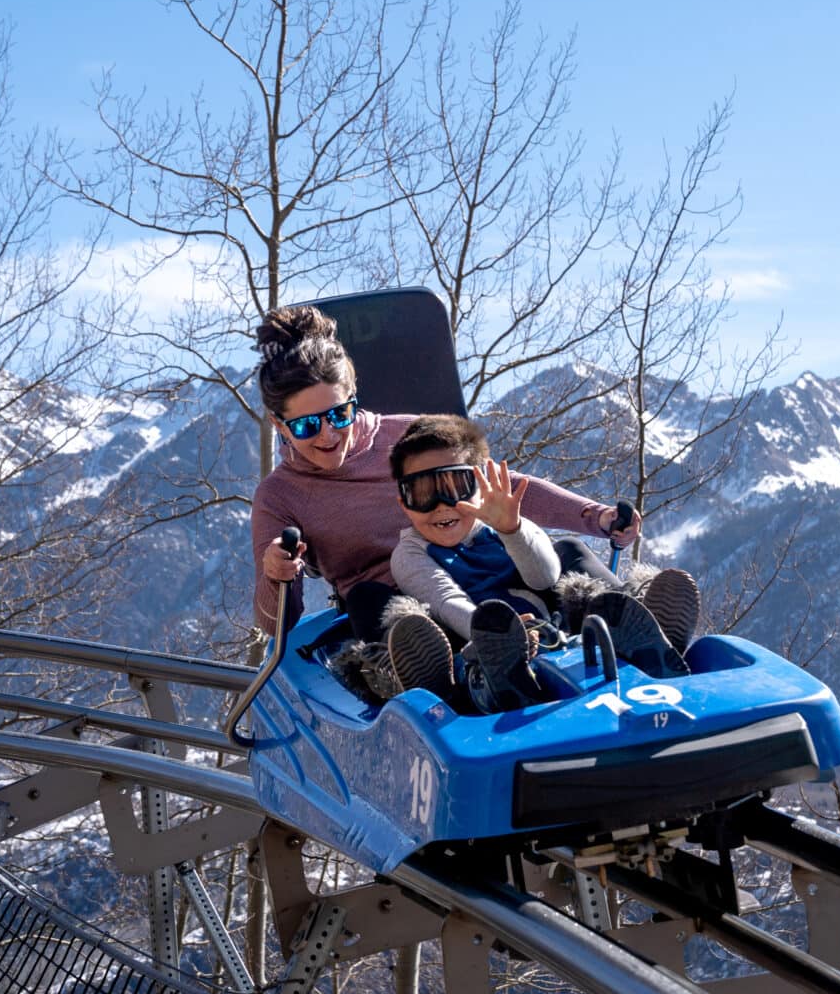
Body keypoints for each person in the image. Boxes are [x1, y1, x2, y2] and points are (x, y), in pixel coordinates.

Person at [248, 304, 652, 697]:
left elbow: (499, 488)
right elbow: (274, 622)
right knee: (366, 600)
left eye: (339, 415)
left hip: (481, 571)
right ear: (278, 423)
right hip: (414, 617)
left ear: (353, 396)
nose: (328, 434)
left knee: (568, 552)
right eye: (306, 425)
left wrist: (595, 516)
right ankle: (447, 680)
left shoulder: (408, 437)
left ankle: (646, 634)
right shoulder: (279, 496)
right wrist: (276, 575)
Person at [384, 413, 701, 711]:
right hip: (487, 650)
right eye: (422, 494)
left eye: (456, 488)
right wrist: (499, 633)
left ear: (482, 487)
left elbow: (546, 577)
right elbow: (447, 601)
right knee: (432, 630)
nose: (441, 506)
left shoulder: (504, 523)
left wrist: (511, 530)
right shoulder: (410, 554)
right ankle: (495, 688)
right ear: (403, 503)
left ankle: (646, 635)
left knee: (570, 549)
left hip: (558, 635)